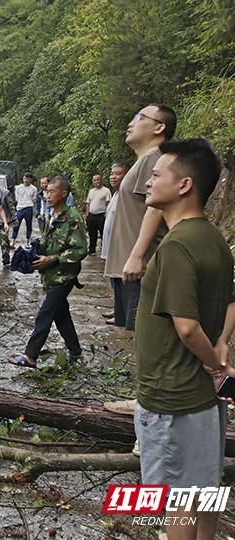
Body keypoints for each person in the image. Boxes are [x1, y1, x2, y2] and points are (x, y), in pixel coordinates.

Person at [133, 138, 234, 540]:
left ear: (184, 185)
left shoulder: (175, 246)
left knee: (177, 499)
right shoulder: (214, 239)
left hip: (172, 396)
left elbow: (188, 328)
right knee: (204, 488)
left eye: (157, 174)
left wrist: (214, 362)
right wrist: (223, 345)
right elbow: (230, 303)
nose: (150, 182)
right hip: (203, 400)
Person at [104, 103, 176, 331]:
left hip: (139, 267)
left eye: (139, 117)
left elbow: (155, 209)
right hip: (128, 267)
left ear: (158, 128)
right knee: (133, 335)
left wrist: (136, 257)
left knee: (144, 337)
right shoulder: (144, 160)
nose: (130, 123)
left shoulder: (154, 159)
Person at [9, 176, 87, 368]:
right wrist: (33, 253)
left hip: (64, 276)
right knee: (61, 314)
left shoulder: (73, 218)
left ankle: (30, 356)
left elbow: (79, 250)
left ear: (64, 194)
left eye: (52, 192)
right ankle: (75, 351)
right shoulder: (48, 216)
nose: (47, 195)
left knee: (45, 313)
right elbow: (48, 243)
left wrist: (50, 260)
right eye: (46, 192)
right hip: (50, 275)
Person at [101, 163, 128, 322]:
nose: (113, 177)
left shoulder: (126, 195)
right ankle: (117, 309)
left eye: (118, 174)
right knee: (114, 280)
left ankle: (122, 313)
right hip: (110, 245)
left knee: (120, 280)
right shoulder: (116, 194)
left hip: (119, 246)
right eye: (112, 173)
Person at [85, 174, 111, 255]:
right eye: (94, 180)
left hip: (101, 215)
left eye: (98, 179)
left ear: (101, 180)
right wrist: (87, 215)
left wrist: (107, 215)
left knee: (104, 233)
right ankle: (92, 250)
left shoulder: (106, 191)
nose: (96, 182)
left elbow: (108, 203)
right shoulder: (91, 191)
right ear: (92, 181)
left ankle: (105, 250)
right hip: (91, 215)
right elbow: (88, 203)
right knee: (92, 233)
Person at [11, 172, 38, 247]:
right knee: (16, 224)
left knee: (29, 225)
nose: (26, 180)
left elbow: (34, 199)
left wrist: (28, 203)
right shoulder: (18, 187)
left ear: (31, 179)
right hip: (20, 208)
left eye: (28, 178)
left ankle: (28, 240)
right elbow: (16, 198)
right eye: (25, 178)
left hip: (29, 207)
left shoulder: (34, 188)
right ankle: (13, 240)